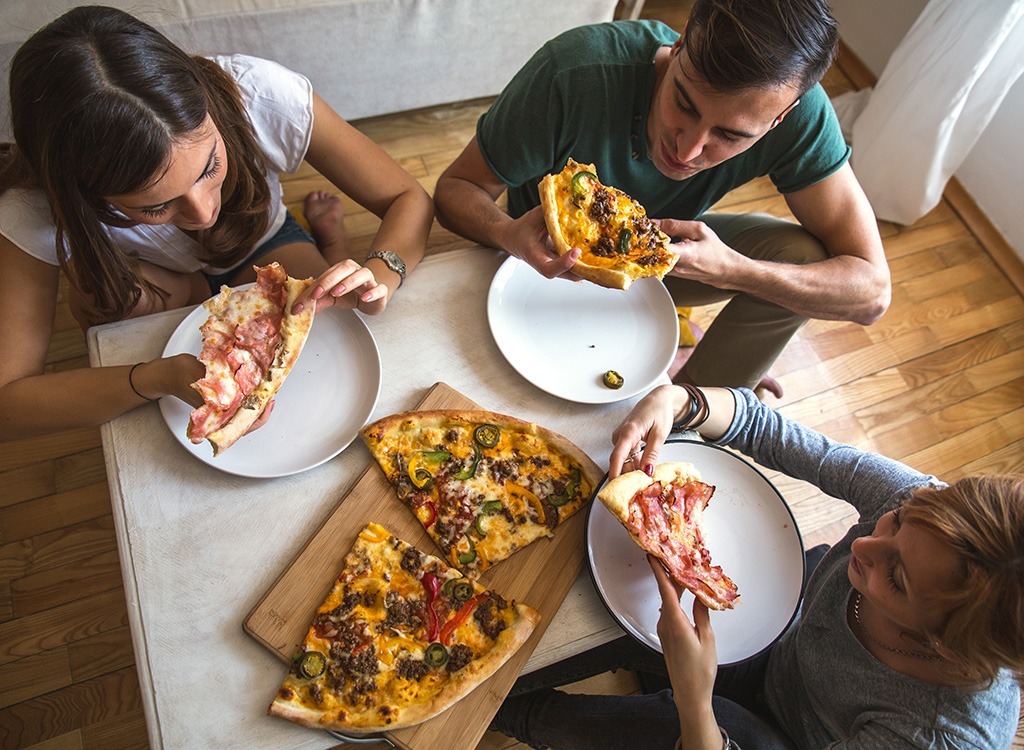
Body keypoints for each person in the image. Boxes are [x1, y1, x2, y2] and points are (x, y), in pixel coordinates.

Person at [490, 383, 1023, 749]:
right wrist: (680, 400)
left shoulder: (938, 737)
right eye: (895, 521)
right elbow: (774, 432)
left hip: (784, 738)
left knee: (669, 719)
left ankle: (509, 715)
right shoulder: (932, 510)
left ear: (950, 646)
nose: (863, 546)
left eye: (897, 578)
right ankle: (501, 677)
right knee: (629, 607)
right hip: (777, 634)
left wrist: (695, 702)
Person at [0, 5, 433, 441]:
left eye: (210, 168)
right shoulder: (33, 203)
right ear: (75, 192)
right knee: (106, 299)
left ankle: (330, 238)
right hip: (154, 278)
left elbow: (408, 197)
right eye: (155, 208)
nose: (204, 213)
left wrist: (380, 273)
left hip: (261, 245)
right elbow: (8, 404)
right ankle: (320, 239)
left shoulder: (256, 93)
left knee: (333, 325)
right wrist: (151, 379)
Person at [433, 0, 891, 397]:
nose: (687, 150)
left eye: (730, 135)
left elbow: (871, 294)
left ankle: (693, 412)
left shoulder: (803, 116)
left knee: (802, 258)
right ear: (679, 46)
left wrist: (738, 273)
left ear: (782, 117)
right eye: (685, 104)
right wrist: (505, 232)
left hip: (666, 262)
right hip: (543, 264)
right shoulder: (573, 70)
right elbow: (457, 189)